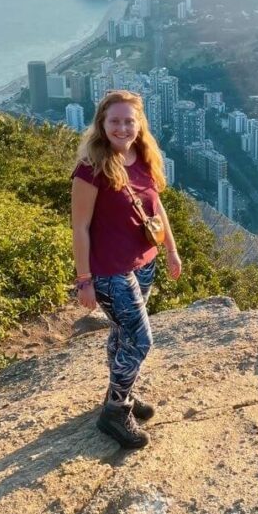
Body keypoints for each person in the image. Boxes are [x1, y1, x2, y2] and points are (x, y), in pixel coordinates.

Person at [71, 89, 181, 449]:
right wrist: (84, 280)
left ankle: (121, 393)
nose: (122, 127)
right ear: (102, 124)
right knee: (140, 339)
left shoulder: (144, 156)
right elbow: (80, 228)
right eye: (114, 120)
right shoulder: (91, 168)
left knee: (123, 333)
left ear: (139, 124)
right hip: (109, 269)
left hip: (143, 262)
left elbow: (156, 208)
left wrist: (170, 250)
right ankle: (115, 412)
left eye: (129, 121)